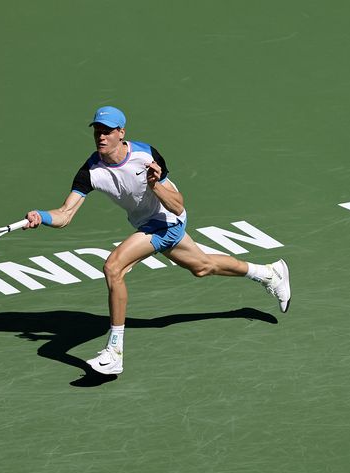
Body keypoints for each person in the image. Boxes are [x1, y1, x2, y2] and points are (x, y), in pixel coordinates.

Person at [24, 106, 290, 375]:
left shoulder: (145, 155)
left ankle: (114, 351)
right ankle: (269, 274)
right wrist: (41, 216)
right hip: (146, 224)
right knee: (202, 267)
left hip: (167, 222)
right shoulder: (90, 171)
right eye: (97, 131)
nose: (100, 137)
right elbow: (65, 214)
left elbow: (178, 206)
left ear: (121, 133)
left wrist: (155, 185)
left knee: (113, 267)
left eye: (107, 132)